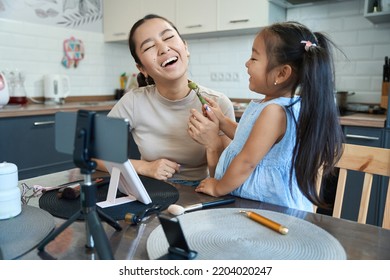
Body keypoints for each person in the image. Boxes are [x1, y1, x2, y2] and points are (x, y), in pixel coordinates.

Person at [188, 21, 344, 211]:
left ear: (281, 73)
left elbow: (247, 160)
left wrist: (219, 187)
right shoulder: (275, 105)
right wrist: (221, 121)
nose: (247, 63)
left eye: (254, 58)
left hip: (269, 206)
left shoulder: (274, 112)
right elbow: (249, 138)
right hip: (255, 203)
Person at [103, 14, 235, 187]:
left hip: (201, 192)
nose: (163, 48)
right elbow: (94, 151)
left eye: (169, 37)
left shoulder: (218, 104)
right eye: (149, 46)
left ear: (186, 48)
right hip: (150, 190)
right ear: (141, 68)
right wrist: (144, 167)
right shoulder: (133, 101)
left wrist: (213, 144)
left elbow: (226, 180)